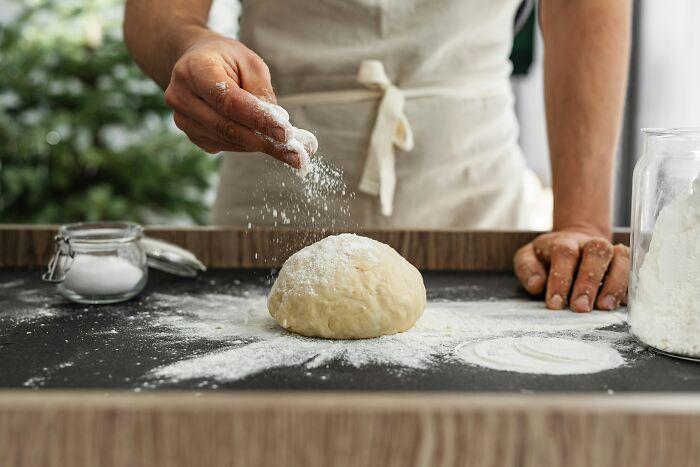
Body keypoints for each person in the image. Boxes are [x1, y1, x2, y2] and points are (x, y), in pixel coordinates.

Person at [124, 0, 631, 313]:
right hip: (270, 167)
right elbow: (158, 12)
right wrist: (194, 43)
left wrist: (583, 220)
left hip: (471, 190)